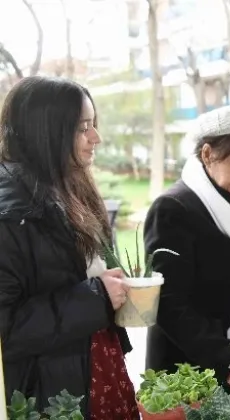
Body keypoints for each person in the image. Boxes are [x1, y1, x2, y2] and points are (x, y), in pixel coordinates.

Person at [0, 76, 137, 418]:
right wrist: (97, 297)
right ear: (46, 131)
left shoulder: (67, 185)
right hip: (54, 390)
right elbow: (8, 328)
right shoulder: (11, 213)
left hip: (92, 362)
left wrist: (111, 289)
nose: (97, 138)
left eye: (95, 125)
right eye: (83, 128)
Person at [143, 106, 230, 389]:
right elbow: (167, 302)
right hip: (189, 369)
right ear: (207, 154)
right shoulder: (173, 209)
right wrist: (227, 360)